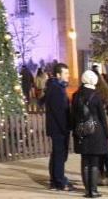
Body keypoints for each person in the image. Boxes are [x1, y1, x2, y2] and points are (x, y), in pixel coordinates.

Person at [72, 70, 108, 198]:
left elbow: (73, 115)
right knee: (94, 161)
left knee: (85, 161)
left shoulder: (76, 95)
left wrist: (75, 130)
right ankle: (93, 190)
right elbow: (102, 116)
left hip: (81, 131)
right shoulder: (96, 95)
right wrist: (106, 133)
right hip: (95, 131)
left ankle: (87, 190)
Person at [42, 62, 74, 191]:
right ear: (58, 74)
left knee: (57, 154)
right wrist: (66, 127)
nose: (68, 75)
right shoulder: (56, 89)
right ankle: (59, 181)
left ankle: (56, 179)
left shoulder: (57, 87)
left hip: (58, 127)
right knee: (59, 155)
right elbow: (59, 112)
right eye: (65, 73)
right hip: (59, 128)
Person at [92, 65, 108, 186]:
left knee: (102, 150)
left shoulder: (98, 91)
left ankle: (103, 174)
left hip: (101, 121)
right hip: (106, 121)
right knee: (104, 150)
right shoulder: (106, 89)